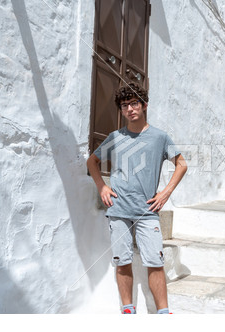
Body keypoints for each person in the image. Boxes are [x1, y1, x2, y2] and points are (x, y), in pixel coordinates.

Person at [86, 82, 187, 314]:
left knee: (155, 261)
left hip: (147, 210)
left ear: (144, 106)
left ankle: (163, 313)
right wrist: (102, 186)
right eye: (124, 105)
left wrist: (166, 192)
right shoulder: (114, 137)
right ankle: (128, 310)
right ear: (121, 110)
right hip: (118, 208)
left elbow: (181, 164)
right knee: (122, 261)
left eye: (134, 103)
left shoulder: (160, 137)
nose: (130, 109)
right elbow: (92, 162)